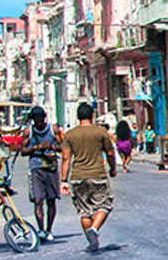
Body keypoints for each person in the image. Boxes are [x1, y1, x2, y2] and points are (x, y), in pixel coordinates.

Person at [61, 103, 117, 253]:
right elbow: (110, 153)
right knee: (104, 206)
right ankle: (94, 228)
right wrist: (113, 169)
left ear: (77, 116)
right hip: (97, 174)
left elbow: (66, 158)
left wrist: (63, 181)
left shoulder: (70, 134)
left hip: (77, 176)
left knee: (84, 211)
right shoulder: (101, 132)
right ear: (92, 115)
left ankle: (92, 241)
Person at [20, 106, 62, 242]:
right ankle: (41, 229)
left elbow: (63, 147)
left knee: (51, 200)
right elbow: (22, 151)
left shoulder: (53, 129)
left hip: (50, 167)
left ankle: (49, 229)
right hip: (36, 168)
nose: (38, 122)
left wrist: (52, 147)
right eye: (35, 120)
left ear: (44, 118)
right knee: (38, 200)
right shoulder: (28, 132)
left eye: (40, 119)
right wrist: (36, 148)